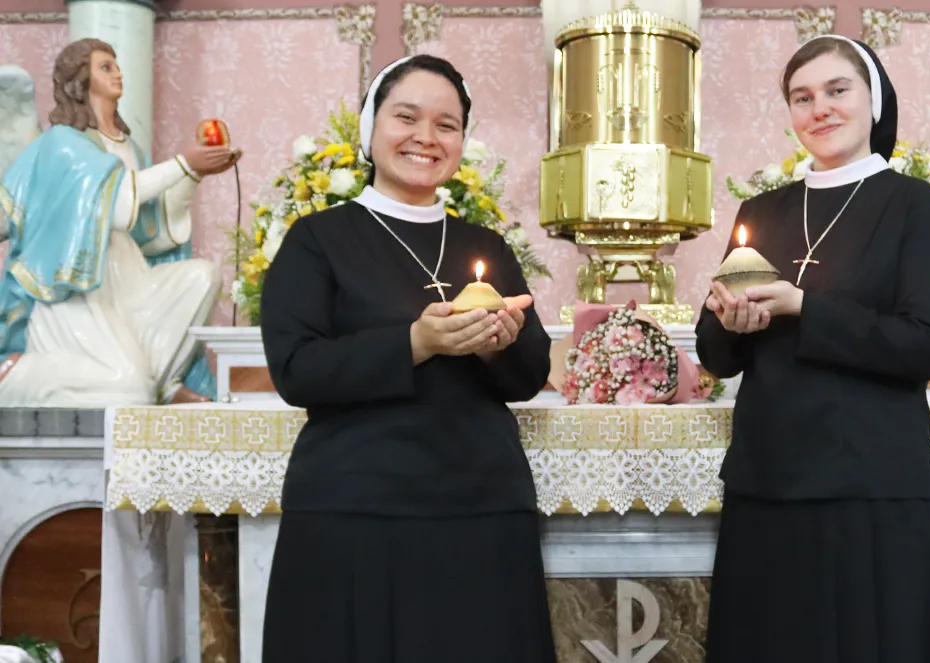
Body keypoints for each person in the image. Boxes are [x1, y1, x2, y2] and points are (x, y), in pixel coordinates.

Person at [259, 54, 556, 662]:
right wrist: (416, 343)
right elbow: (297, 369)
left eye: (447, 125)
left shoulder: (485, 245)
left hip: (481, 504)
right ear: (371, 128)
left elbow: (529, 374)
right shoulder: (317, 240)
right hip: (357, 507)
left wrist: (501, 345)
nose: (426, 137)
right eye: (406, 117)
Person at [697, 35, 930, 662]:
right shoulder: (764, 210)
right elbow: (715, 355)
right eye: (802, 97)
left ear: (874, 99)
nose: (820, 108)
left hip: (871, 483)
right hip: (769, 480)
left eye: (837, 90)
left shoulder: (915, 205)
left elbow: (923, 344)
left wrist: (804, 307)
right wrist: (732, 324)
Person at [0, 38, 236, 405]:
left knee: (202, 276)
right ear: (80, 79)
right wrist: (184, 164)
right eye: (105, 67)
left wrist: (193, 174)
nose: (118, 73)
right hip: (76, 286)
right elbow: (120, 198)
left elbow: (151, 232)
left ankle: (162, 381)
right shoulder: (64, 143)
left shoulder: (129, 147)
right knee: (125, 389)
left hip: (128, 275)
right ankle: (16, 375)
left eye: (117, 65)